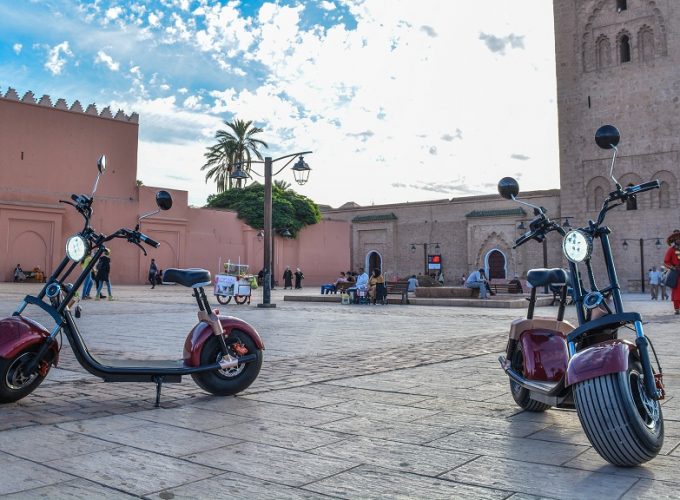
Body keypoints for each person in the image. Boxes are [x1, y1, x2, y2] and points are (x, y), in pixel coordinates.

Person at [663, 230, 680, 314]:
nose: (678, 240)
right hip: (676, 273)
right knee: (677, 291)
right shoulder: (671, 250)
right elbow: (666, 261)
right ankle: (677, 309)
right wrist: (673, 267)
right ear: (674, 240)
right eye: (676, 239)